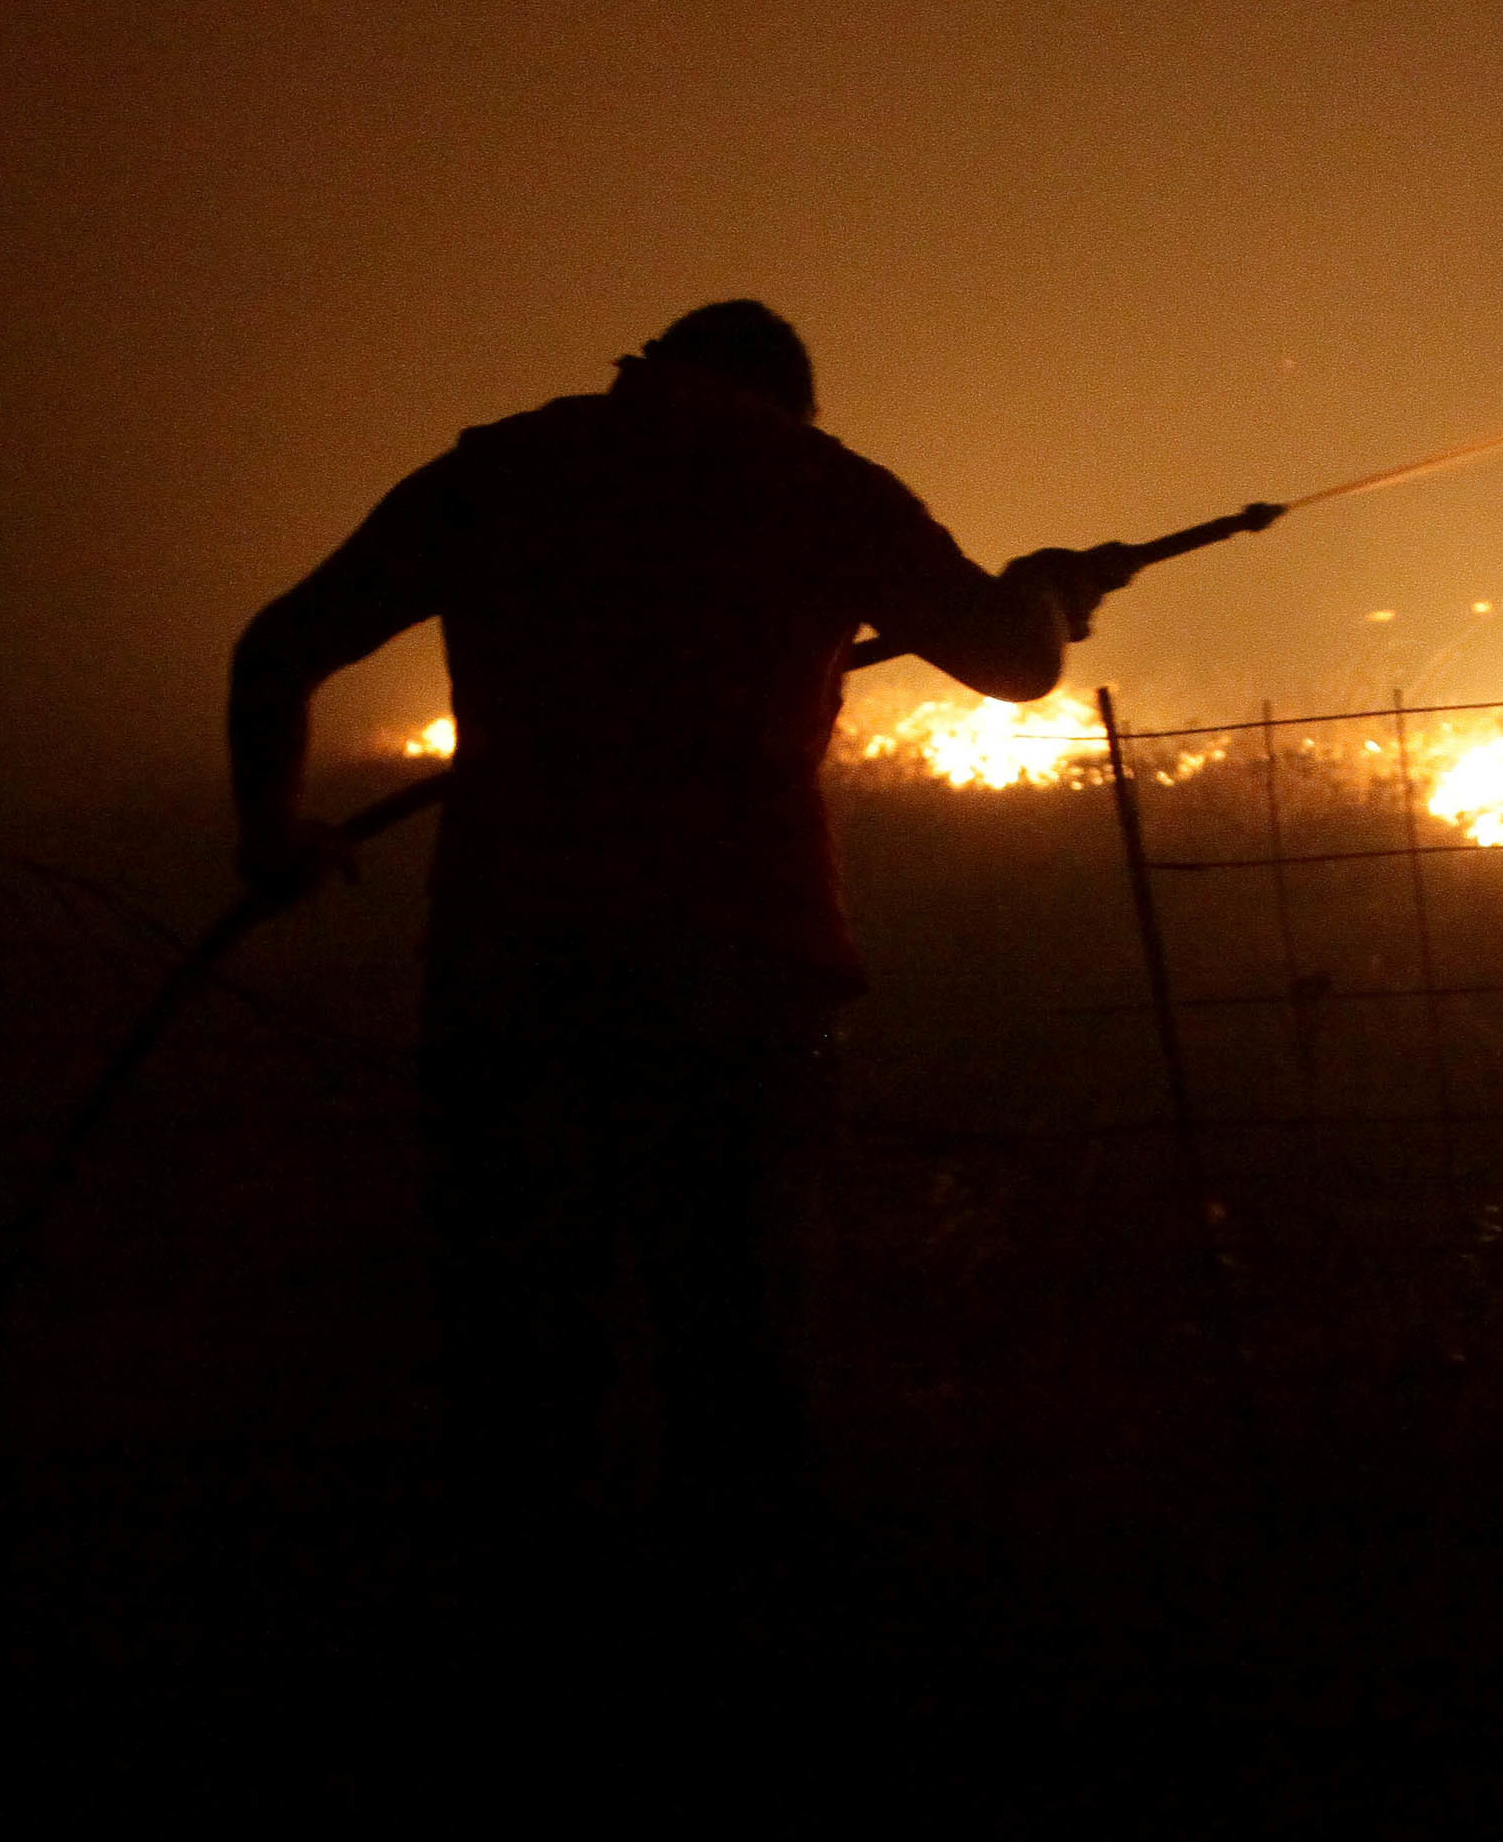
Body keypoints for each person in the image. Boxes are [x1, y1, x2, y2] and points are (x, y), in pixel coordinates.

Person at [227, 300, 1111, 1596]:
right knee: (747, 1351)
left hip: (506, 966)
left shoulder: (507, 469)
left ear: (653, 370)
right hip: (751, 976)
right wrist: (1050, 591)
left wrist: (271, 832)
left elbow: (280, 644)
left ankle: (519, 1645)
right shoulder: (817, 484)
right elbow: (1012, 661)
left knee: (517, 1355)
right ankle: (741, 1668)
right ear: (783, 399)